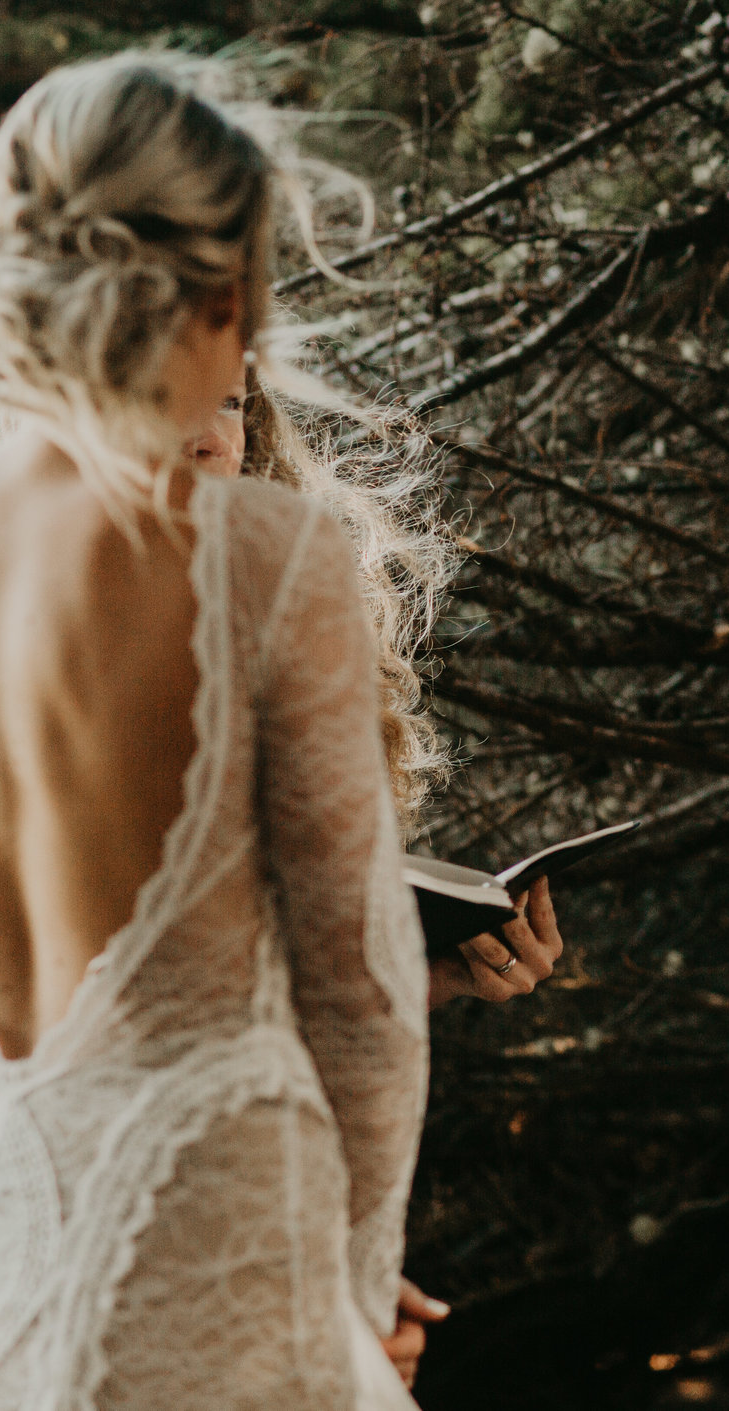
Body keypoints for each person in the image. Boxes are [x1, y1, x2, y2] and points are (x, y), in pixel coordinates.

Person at [0, 54, 432, 1408]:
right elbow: (366, 1004)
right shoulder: (265, 553)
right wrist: (345, 1294)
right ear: (222, 288)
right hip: (198, 1263)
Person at [184, 371, 566, 1008]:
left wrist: (430, 973)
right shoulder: (16, 634)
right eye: (162, 396)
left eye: (227, 402)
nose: (206, 438)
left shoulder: (285, 624)